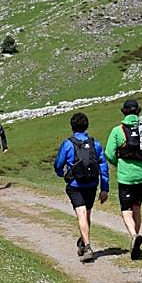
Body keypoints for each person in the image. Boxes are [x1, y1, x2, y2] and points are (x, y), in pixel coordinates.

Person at [104, 99, 142, 259]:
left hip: (125, 177)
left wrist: (120, 164)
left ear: (123, 112)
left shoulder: (117, 131)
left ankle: (133, 235)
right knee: (137, 206)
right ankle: (136, 240)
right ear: (138, 111)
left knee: (126, 209)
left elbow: (109, 153)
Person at [54, 112, 110, 262]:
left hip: (75, 185)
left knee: (81, 214)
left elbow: (58, 164)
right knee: (87, 215)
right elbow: (103, 166)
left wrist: (61, 174)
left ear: (72, 126)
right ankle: (83, 241)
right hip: (92, 184)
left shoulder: (67, 144)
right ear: (87, 126)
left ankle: (87, 246)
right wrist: (105, 188)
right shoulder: (95, 144)